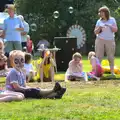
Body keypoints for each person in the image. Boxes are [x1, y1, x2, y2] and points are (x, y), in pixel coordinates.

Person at [94, 6, 118, 76]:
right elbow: (95, 32)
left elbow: (115, 30)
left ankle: (112, 73)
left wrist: (109, 26)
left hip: (110, 40)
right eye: (100, 12)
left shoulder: (112, 20)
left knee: (110, 57)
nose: (100, 14)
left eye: (102, 12)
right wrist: (99, 27)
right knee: (98, 57)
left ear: (106, 13)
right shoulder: (99, 21)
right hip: (100, 40)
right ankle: (98, 73)